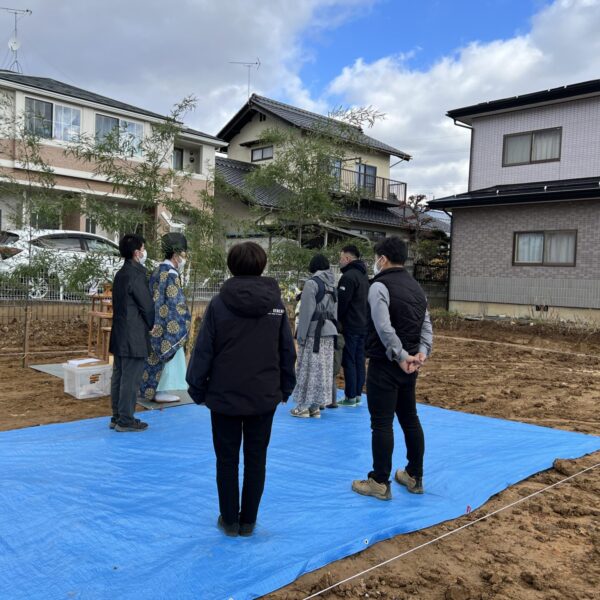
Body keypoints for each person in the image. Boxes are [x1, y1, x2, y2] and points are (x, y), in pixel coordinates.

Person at [186, 242, 296, 537]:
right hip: (264, 395)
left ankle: (230, 521)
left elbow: (203, 351)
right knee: (256, 458)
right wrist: (286, 386)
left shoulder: (219, 304)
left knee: (227, 459)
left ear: (231, 266)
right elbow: (286, 349)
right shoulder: (276, 305)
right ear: (262, 266)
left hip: (224, 396)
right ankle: (248, 521)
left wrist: (197, 388)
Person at [352, 236, 433, 500]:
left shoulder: (379, 286)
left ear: (383, 259)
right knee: (410, 418)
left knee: (382, 423)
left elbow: (383, 326)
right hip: (409, 367)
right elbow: (426, 325)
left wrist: (400, 355)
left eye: (377, 257)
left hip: (386, 363)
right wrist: (420, 353)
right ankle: (414, 475)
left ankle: (379, 481)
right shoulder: (417, 289)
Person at [109, 234, 155, 432]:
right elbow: (147, 306)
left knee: (119, 375)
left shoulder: (121, 274)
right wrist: (151, 324)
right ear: (137, 253)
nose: (144, 252)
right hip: (134, 333)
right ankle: (126, 419)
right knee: (130, 377)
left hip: (120, 331)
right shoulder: (136, 275)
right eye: (143, 249)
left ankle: (117, 416)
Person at [139, 233, 191, 403]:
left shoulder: (158, 270)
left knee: (153, 358)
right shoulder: (171, 274)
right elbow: (175, 304)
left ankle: (152, 390)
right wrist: (184, 319)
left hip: (154, 323)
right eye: (183, 254)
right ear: (176, 255)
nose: (185, 258)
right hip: (167, 325)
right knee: (168, 355)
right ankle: (160, 390)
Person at [291, 254, 338, 419]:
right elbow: (335, 311)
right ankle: (315, 407)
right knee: (322, 370)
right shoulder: (332, 284)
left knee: (307, 369)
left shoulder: (312, 284)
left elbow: (306, 313)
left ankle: (302, 407)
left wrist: (300, 337)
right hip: (329, 332)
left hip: (313, 333)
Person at [336, 244, 369, 407]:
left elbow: (342, 304)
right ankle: (357, 395)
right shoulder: (364, 276)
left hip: (350, 326)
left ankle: (350, 395)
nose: (340, 261)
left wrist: (337, 321)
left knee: (349, 360)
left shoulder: (348, 277)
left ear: (348, 259)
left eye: (341, 258)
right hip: (363, 324)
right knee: (359, 360)